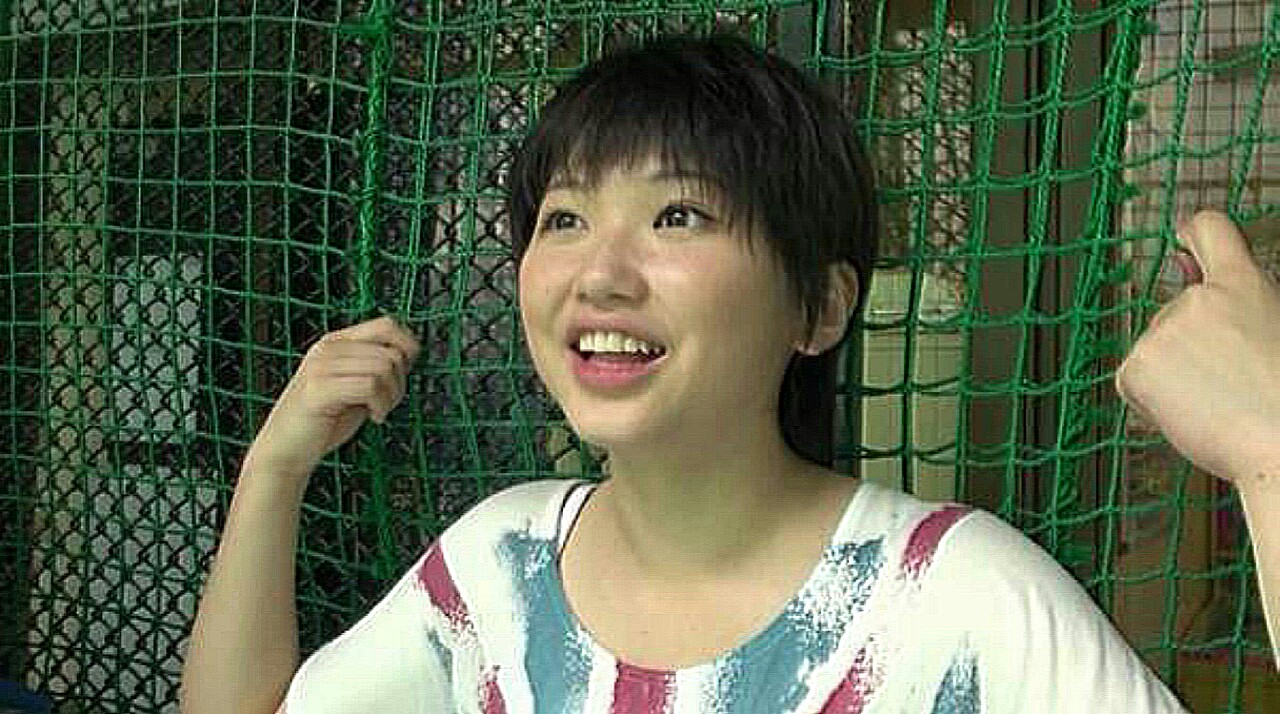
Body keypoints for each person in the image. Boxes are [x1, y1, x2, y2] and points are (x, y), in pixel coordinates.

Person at [178, 35, 1280, 714]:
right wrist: (273, 467)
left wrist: (1267, 447)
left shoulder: (957, 597)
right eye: (564, 218)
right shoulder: (495, 569)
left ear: (818, 309)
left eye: (677, 216)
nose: (598, 274)